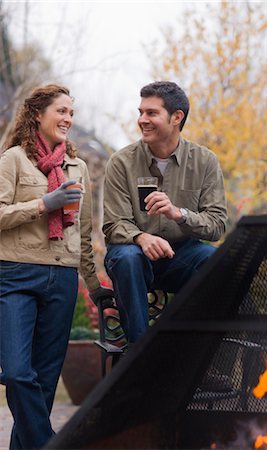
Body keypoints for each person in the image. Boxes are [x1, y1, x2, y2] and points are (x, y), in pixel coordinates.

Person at [0, 84, 109, 449]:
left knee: (46, 383)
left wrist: (94, 286)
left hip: (62, 278)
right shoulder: (13, 160)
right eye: (61, 111)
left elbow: (83, 231)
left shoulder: (77, 167)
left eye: (71, 113)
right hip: (16, 274)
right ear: (37, 114)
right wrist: (44, 203)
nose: (68, 119)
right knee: (16, 374)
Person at [102, 81, 228, 346]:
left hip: (180, 255)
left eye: (151, 113)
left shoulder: (205, 161)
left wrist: (178, 213)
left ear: (176, 117)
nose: (142, 120)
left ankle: (196, 355)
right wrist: (141, 238)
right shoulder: (121, 162)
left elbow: (217, 225)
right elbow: (114, 224)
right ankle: (139, 356)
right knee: (127, 257)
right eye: (140, 112)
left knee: (213, 260)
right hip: (133, 256)